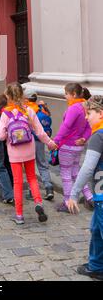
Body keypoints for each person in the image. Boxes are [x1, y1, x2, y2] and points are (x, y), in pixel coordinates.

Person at [0, 83, 57, 225]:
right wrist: (50, 143)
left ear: (8, 97)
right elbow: (40, 132)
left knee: (18, 182)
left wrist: (7, 133)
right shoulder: (29, 110)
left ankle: (19, 215)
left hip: (14, 152)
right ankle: (38, 202)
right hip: (29, 150)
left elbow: (0, 135)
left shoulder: (6, 113)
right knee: (32, 178)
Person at [67, 96, 103, 281]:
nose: (87, 118)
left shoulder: (98, 136)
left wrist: (73, 194)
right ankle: (96, 266)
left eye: (89, 113)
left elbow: (88, 167)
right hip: (99, 196)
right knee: (96, 229)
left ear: (101, 113)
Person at [54, 83, 93, 213]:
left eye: (66, 93)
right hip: (78, 146)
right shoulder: (85, 106)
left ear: (74, 94)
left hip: (67, 146)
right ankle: (90, 197)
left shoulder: (74, 108)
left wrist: (56, 141)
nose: (65, 96)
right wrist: (84, 138)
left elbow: (66, 126)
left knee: (66, 175)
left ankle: (67, 203)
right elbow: (89, 127)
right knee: (76, 173)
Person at [25, 91, 54, 201]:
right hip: (40, 142)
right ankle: (49, 187)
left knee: (29, 166)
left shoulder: (26, 110)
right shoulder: (42, 111)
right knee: (42, 164)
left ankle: (32, 191)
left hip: (28, 141)